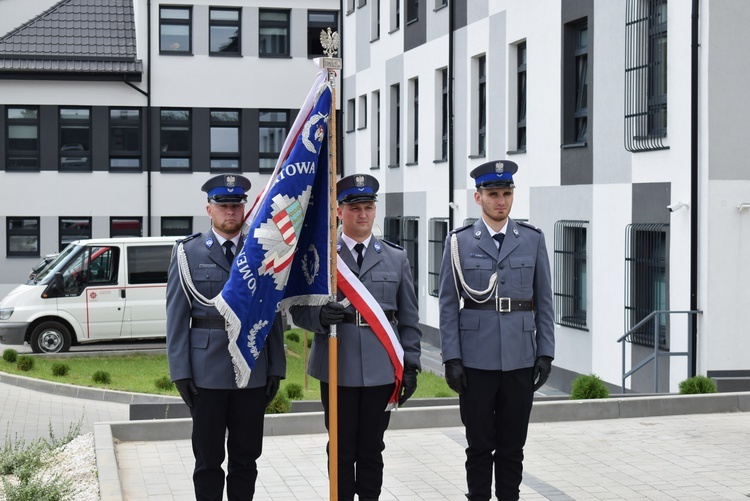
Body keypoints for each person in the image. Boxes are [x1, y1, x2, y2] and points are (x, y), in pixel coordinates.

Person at [289, 173, 422, 501]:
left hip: (380, 365)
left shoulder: (396, 257)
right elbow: (297, 307)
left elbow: (408, 317)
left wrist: (413, 365)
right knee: (340, 446)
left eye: (368, 207)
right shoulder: (321, 258)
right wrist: (319, 316)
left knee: (372, 448)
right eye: (355, 208)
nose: (362, 214)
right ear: (339, 211)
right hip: (336, 366)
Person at [438, 160, 555, 501]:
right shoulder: (459, 243)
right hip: (475, 360)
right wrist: (452, 358)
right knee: (478, 447)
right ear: (478, 198)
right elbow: (448, 304)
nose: (501, 201)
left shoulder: (532, 239)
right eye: (493, 194)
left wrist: (545, 352)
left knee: (512, 447)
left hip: (520, 358)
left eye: (506, 193)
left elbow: (544, 300)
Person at [166, 173, 286, 501]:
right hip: (206, 372)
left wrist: (277, 366)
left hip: (253, 367)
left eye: (236, 205)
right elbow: (176, 320)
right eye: (223, 206)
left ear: (245, 208)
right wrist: (181, 372)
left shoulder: (262, 250)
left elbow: (270, 311)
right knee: (208, 460)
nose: (230, 212)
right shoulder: (187, 254)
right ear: (209, 210)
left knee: (246, 459)